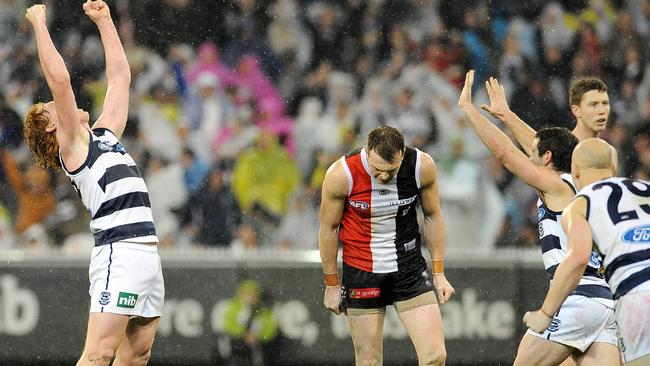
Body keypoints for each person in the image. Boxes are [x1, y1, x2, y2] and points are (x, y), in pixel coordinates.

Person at [24, 2, 163, 365]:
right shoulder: (72, 148)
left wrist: (105, 22)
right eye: (50, 107)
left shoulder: (103, 135)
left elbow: (120, 79)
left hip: (146, 250)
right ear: (53, 127)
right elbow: (60, 81)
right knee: (99, 354)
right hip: (120, 250)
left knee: (137, 353)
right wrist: (40, 23)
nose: (58, 103)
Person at [458, 70, 619, 366]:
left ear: (546, 159)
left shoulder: (555, 186)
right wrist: (507, 115)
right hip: (603, 302)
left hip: (577, 299)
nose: (528, 156)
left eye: (533, 154)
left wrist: (469, 111)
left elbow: (506, 153)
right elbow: (538, 143)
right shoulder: (574, 183)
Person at [319, 125, 454, 366]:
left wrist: (439, 273)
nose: (382, 177)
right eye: (377, 169)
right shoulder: (341, 174)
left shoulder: (421, 166)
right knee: (369, 362)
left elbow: (433, 216)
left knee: (436, 356)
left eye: (390, 171)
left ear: (402, 154)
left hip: (409, 268)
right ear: (368, 151)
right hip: (362, 272)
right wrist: (331, 284)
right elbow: (329, 228)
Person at [525, 138, 650, 365]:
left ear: (576, 172)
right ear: (613, 168)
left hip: (634, 296)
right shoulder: (644, 188)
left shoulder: (581, 203)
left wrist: (545, 313)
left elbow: (578, 258)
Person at [481, 76, 610, 154]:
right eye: (593, 105)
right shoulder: (564, 146)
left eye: (604, 103)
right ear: (576, 110)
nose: (601, 110)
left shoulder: (609, 152)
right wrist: (507, 116)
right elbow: (511, 156)